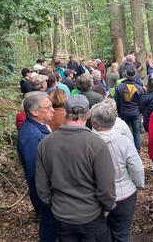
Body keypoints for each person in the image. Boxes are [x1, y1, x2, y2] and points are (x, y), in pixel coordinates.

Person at [36, 95, 116, 242]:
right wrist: (108, 206)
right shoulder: (97, 144)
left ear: (65, 112)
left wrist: (53, 205)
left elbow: (42, 186)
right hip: (91, 216)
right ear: (88, 114)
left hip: (61, 216)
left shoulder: (46, 143)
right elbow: (106, 187)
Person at [91, 102, 145, 242]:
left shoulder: (88, 143)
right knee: (122, 233)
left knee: (103, 233)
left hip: (97, 196)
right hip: (125, 195)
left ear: (94, 122)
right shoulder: (124, 141)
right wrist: (139, 184)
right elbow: (136, 167)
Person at [17, 92, 57, 241]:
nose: (52, 110)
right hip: (46, 194)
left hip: (48, 191)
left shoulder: (40, 128)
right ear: (35, 112)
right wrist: (46, 197)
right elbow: (35, 171)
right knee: (50, 230)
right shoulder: (31, 136)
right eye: (48, 108)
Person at [115, 67, 144, 152]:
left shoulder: (119, 87)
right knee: (136, 133)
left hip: (124, 113)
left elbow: (117, 102)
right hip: (135, 113)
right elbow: (141, 103)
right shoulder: (140, 88)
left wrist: (119, 112)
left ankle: (128, 152)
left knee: (125, 133)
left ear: (126, 76)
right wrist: (140, 112)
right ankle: (137, 152)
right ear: (135, 76)